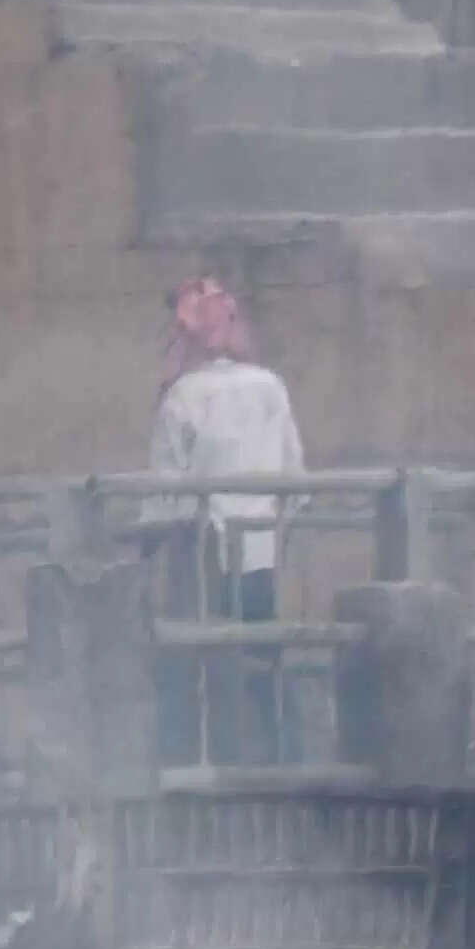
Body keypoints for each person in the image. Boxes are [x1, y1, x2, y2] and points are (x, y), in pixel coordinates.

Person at [148, 276, 306, 767]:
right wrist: (275, 528)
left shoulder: (181, 397)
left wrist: (151, 544)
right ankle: (283, 759)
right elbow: (295, 477)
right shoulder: (270, 387)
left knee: (196, 659)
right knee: (264, 653)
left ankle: (197, 764)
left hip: (204, 553)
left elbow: (165, 492)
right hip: (260, 548)